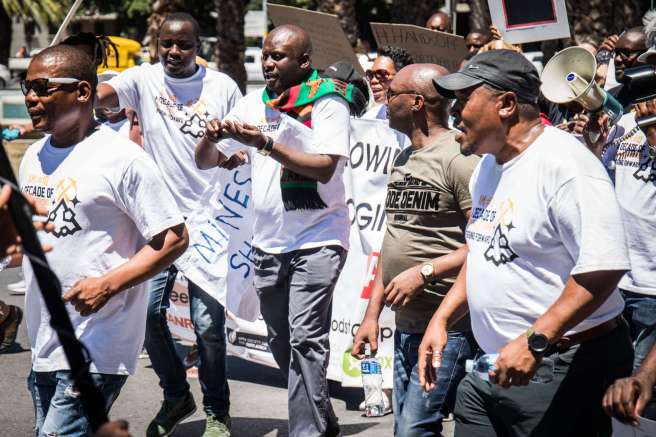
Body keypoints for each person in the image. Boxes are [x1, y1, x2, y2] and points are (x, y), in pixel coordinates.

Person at [418, 49, 633, 436]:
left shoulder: (566, 166)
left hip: (562, 366)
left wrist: (535, 341)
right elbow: (484, 249)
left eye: (464, 99)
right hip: (492, 369)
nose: (453, 111)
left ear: (506, 104)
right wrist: (443, 317)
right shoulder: (487, 165)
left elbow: (604, 266)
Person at [19, 43, 188, 437]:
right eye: (25, 85)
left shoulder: (123, 159)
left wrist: (107, 285)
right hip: (45, 339)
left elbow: (174, 238)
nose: (30, 96)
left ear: (82, 92)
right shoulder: (34, 156)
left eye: (42, 87)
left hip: (98, 341)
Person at [195, 24, 351, 437]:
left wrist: (264, 145)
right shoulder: (251, 105)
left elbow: (323, 166)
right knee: (282, 342)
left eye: (278, 56)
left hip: (320, 239)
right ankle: (322, 418)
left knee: (305, 339)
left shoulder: (327, 103)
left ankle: (306, 432)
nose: (267, 63)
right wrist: (209, 136)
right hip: (268, 244)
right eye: (264, 54)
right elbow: (207, 161)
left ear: (303, 61)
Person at [95, 12, 241, 437]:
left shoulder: (222, 88)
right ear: (157, 45)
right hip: (159, 222)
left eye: (185, 45)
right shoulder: (142, 79)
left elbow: (231, 153)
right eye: (167, 45)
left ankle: (218, 411)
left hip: (211, 222)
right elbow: (104, 94)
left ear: (201, 47)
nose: (174, 53)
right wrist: (79, 78)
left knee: (209, 327)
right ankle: (177, 394)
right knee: (146, 316)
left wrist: (229, 154)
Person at [351, 63, 479, 436]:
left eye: (392, 94)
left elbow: (485, 244)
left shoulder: (461, 158)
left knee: (414, 429)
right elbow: (393, 240)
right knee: (403, 429)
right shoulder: (403, 159)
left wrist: (426, 272)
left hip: (449, 326)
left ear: (418, 102)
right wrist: (371, 316)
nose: (385, 101)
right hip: (406, 328)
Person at [363, 45, 414, 120]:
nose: (373, 81)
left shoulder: (420, 120)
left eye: (382, 74)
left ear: (403, 76)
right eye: (370, 74)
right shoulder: (369, 118)